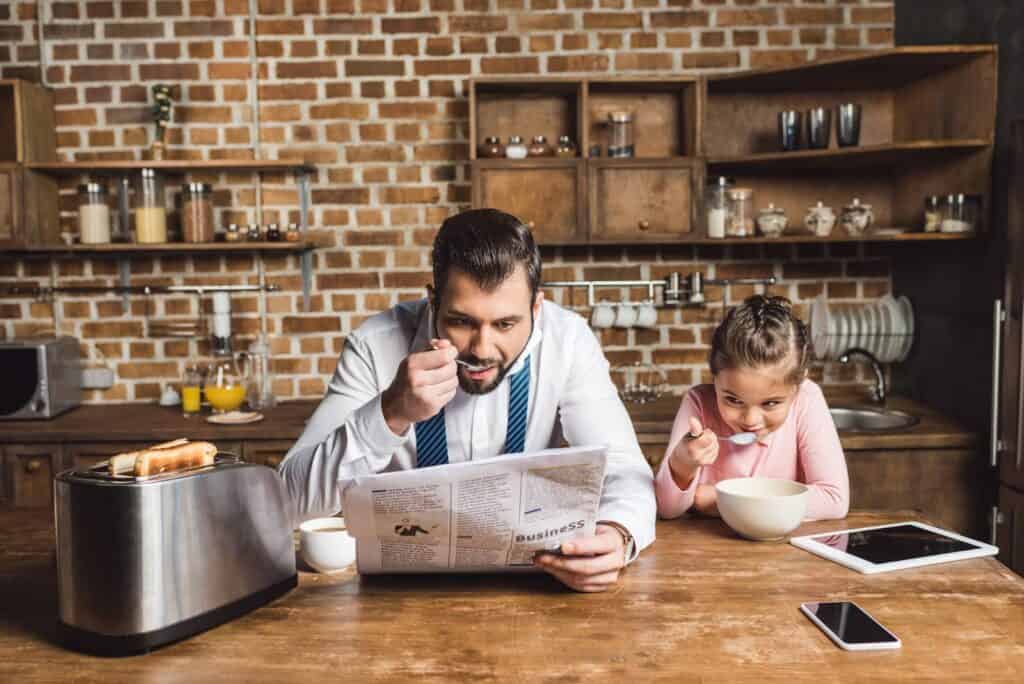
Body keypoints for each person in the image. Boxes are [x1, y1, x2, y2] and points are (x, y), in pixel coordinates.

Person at [280, 208, 656, 592]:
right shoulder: (375, 345)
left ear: (536, 308)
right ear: (432, 301)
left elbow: (626, 469)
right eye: (462, 321)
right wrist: (389, 414)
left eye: (505, 324)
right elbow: (288, 502)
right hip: (395, 599)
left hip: (534, 592)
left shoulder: (569, 341)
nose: (481, 349)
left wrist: (618, 535)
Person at [655, 294, 849, 520]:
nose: (750, 419)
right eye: (733, 400)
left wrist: (720, 498)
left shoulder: (807, 399)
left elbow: (834, 500)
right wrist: (682, 463)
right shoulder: (698, 404)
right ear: (715, 378)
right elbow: (667, 510)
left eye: (771, 403)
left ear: (797, 386)